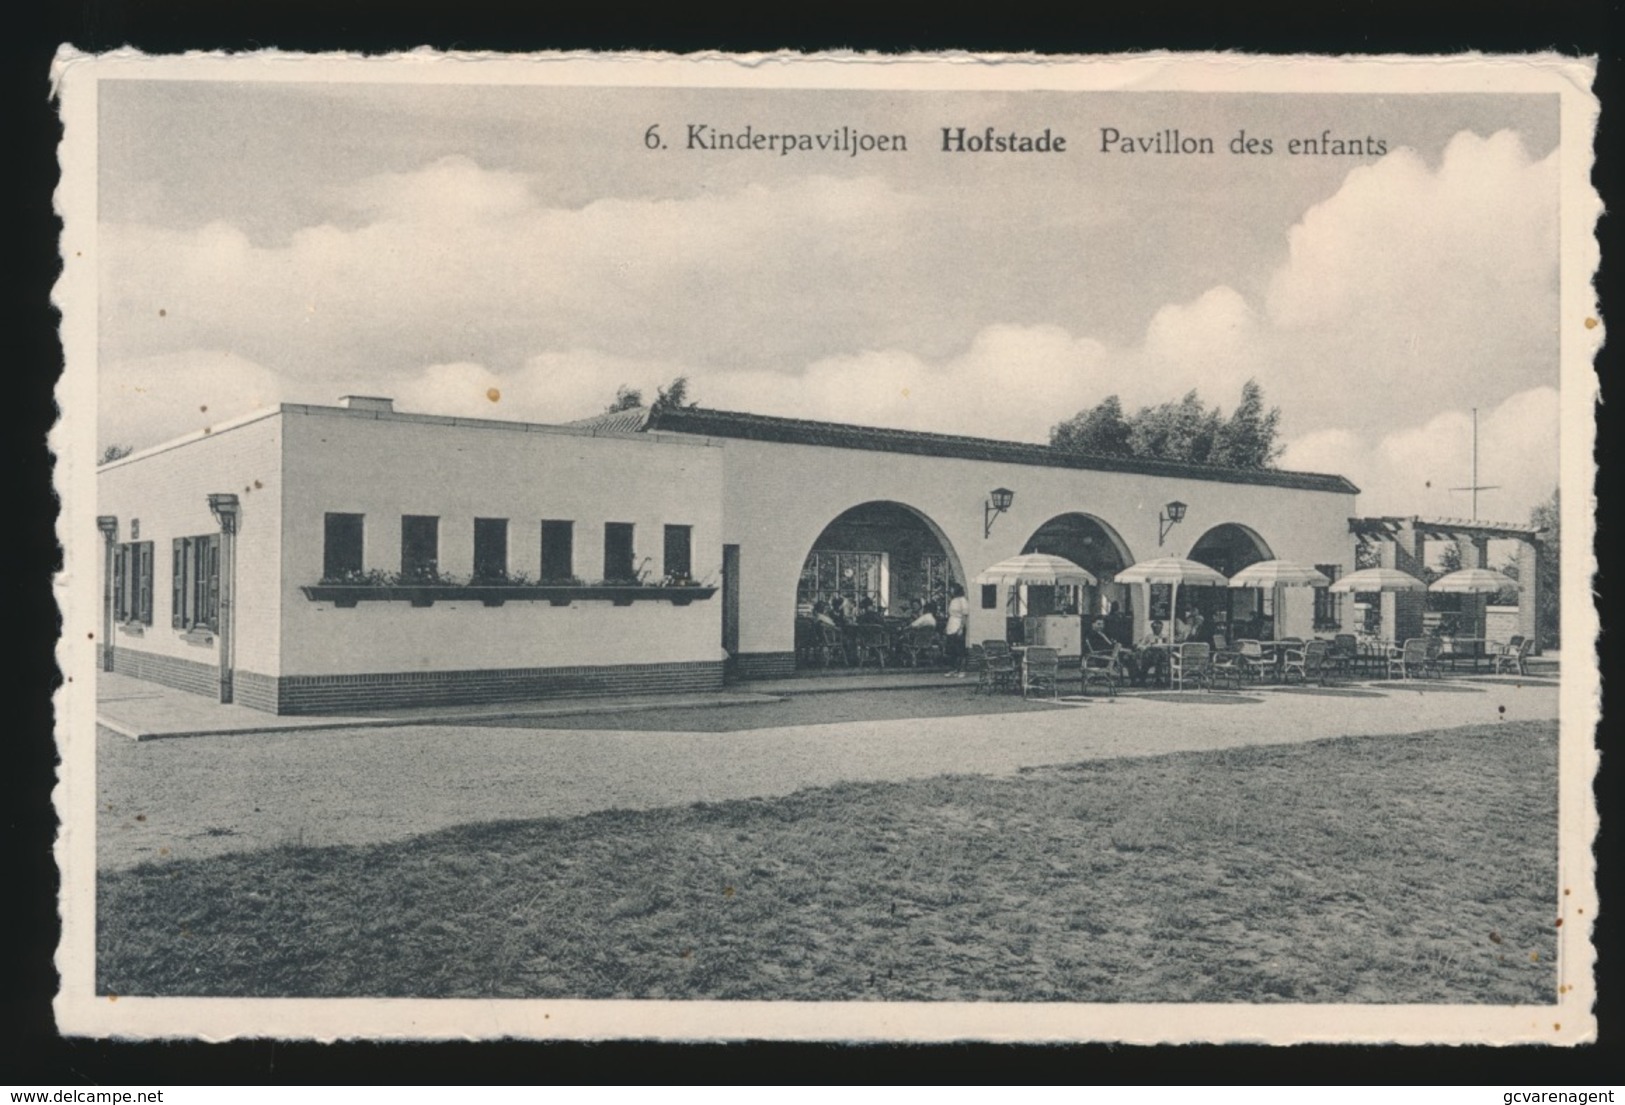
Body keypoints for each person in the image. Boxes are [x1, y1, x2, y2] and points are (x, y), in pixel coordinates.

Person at [1131, 619, 1170, 686]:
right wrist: (1146, 646)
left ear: (1161, 628)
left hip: (1161, 656)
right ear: (1152, 628)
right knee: (1147, 659)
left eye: (1159, 628)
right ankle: (1143, 680)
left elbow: (1168, 647)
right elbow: (1141, 645)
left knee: (1156, 657)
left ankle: (1158, 680)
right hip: (1150, 656)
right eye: (1155, 628)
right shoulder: (1149, 636)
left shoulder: (1165, 637)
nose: (1157, 629)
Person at [943, 583, 969, 677]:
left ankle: (962, 670)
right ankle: (953, 669)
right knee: (951, 650)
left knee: (960, 649)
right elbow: (951, 615)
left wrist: (961, 628)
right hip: (951, 624)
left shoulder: (963, 600)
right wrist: (947, 627)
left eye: (952, 588)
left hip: (958, 624)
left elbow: (965, 615)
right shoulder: (953, 600)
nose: (951, 590)